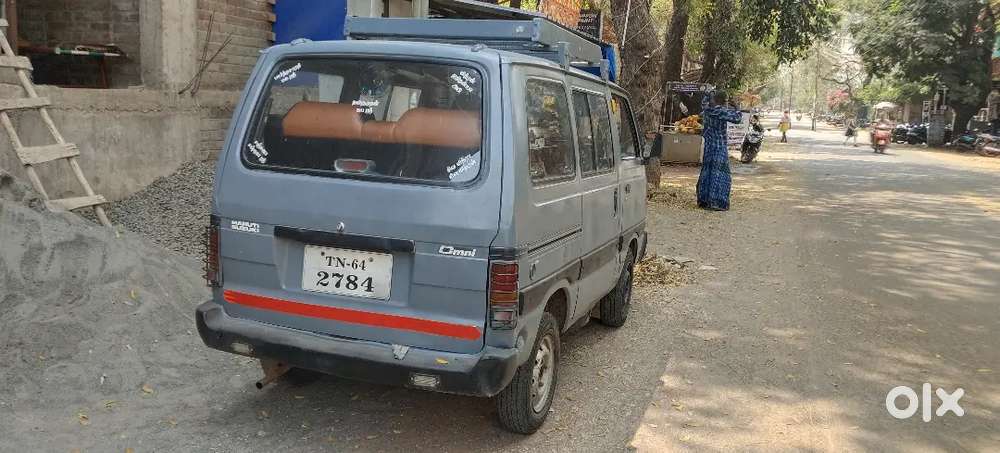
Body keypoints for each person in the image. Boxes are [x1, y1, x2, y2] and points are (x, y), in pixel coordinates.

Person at [697, 91, 743, 211]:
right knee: (719, 174)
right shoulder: (720, 111)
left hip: (708, 146)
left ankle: (704, 200)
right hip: (719, 147)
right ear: (724, 101)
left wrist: (708, 95)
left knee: (707, 171)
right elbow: (737, 118)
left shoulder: (707, 110)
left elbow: (703, 104)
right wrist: (737, 106)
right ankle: (716, 202)